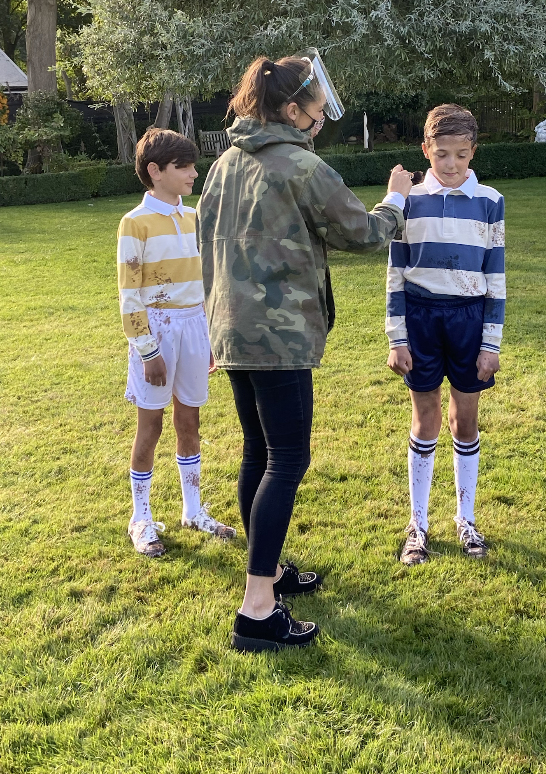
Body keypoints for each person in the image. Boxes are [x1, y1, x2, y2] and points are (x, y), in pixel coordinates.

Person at [197, 50, 415, 652]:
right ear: (293, 111)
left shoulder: (224, 164)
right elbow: (361, 233)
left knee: (259, 451)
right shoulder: (300, 165)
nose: (320, 122)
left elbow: (204, 243)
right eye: (317, 112)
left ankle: (267, 571)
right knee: (287, 459)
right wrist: (396, 200)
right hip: (280, 334)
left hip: (231, 329)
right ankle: (257, 609)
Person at [385, 104, 506, 565]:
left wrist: (490, 343)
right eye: (441, 155)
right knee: (426, 416)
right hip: (420, 319)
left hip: (469, 320)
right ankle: (417, 525)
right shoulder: (408, 201)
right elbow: (395, 274)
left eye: (460, 154)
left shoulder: (490, 201)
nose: (451, 164)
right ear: (425, 150)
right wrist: (397, 337)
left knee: (465, 420)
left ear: (473, 151)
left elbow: (496, 276)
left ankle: (466, 519)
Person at [117, 128, 236, 558]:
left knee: (190, 422)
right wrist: (147, 351)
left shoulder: (194, 218)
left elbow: (205, 284)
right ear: (155, 171)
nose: (193, 173)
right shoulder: (135, 223)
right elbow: (130, 294)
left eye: (192, 165)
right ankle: (141, 518)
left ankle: (193, 509)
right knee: (150, 427)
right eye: (182, 166)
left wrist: (209, 336)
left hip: (194, 329)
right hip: (157, 330)